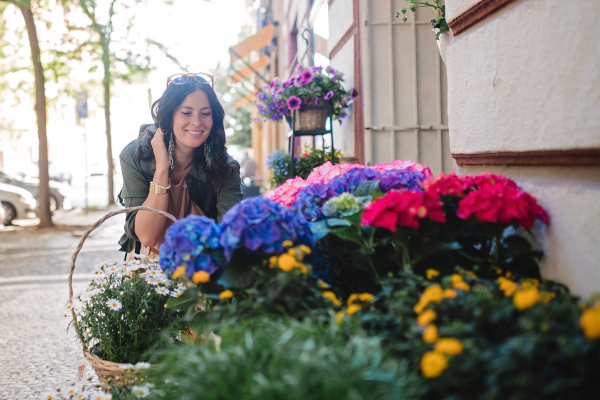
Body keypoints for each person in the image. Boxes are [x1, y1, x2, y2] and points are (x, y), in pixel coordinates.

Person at [117, 72, 244, 257]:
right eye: (186, 112)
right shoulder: (135, 156)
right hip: (147, 267)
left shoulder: (225, 167)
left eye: (206, 113)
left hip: (203, 265)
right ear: (169, 117)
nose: (197, 122)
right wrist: (162, 168)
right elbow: (147, 237)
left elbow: (230, 235)